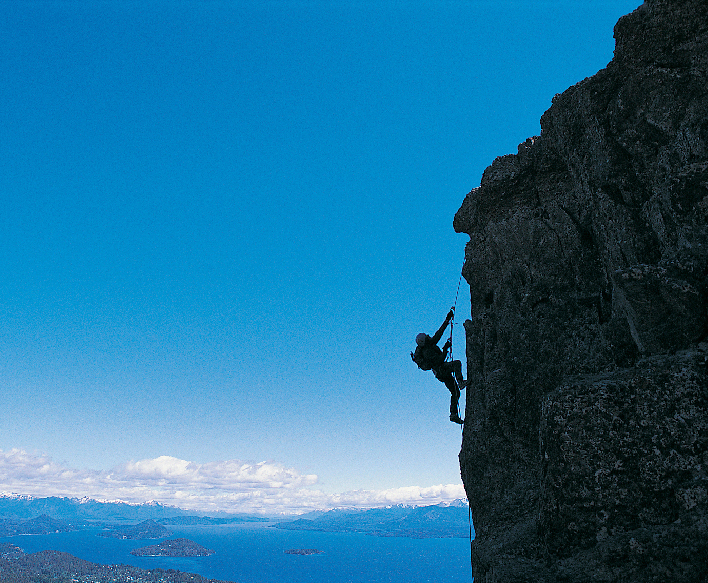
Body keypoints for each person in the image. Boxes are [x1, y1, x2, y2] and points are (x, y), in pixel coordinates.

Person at [411, 308, 467, 424]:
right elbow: (439, 360)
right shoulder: (427, 351)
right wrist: (445, 349)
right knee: (456, 364)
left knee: (455, 392)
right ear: (424, 341)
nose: (429, 337)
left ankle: (453, 414)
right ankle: (461, 381)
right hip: (441, 370)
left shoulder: (429, 345)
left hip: (440, 373)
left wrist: (447, 320)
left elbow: (439, 333)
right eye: (426, 337)